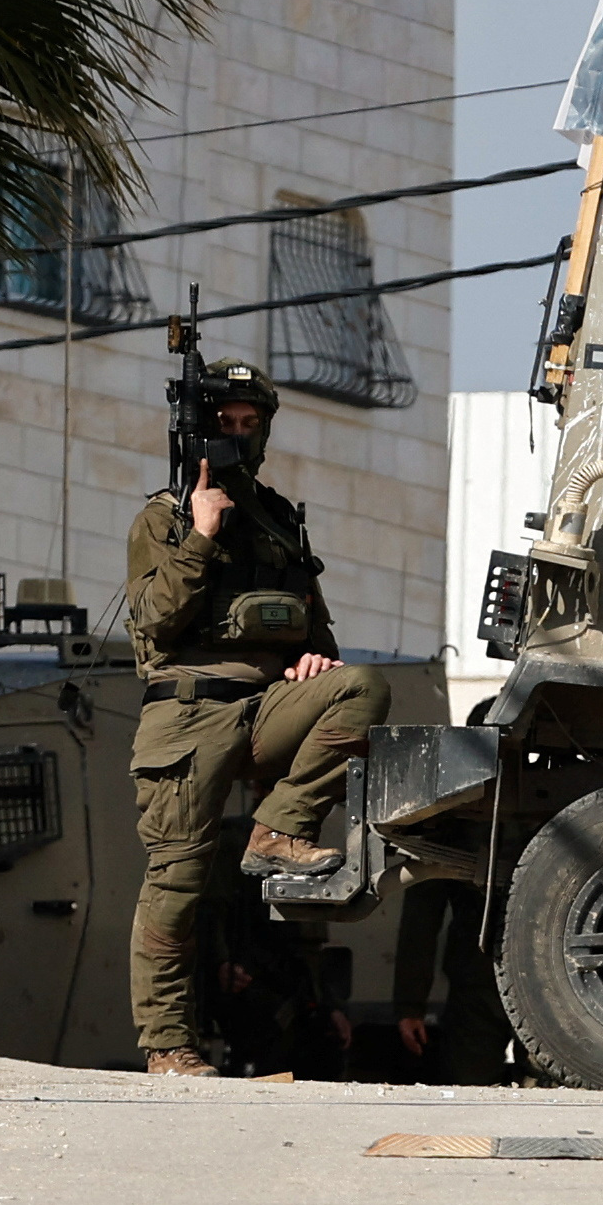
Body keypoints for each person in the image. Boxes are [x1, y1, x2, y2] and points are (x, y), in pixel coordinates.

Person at [120, 362, 396, 1076]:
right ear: (202, 428)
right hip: (188, 712)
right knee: (176, 881)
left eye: (251, 425)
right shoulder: (167, 517)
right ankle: (168, 1045)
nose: (239, 436)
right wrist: (202, 535)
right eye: (226, 424)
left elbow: (317, 628)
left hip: (267, 703)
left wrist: (312, 660)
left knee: (361, 687)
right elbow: (153, 619)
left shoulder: (277, 517)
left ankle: (281, 828)